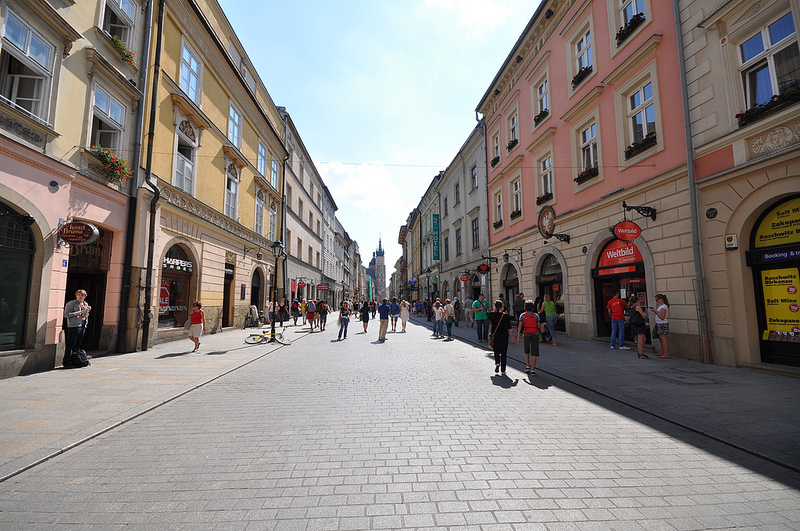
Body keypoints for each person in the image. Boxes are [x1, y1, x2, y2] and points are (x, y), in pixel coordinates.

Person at [63, 289, 91, 368]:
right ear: (76, 295)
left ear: (85, 296)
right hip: (73, 326)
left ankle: (75, 360)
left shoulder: (85, 304)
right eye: (79, 294)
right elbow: (66, 314)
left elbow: (85, 315)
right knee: (70, 344)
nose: (80, 296)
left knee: (77, 345)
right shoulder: (71, 304)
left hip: (82, 326)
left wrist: (86, 313)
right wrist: (80, 312)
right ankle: (66, 361)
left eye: (82, 295)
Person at [488, 299, 514, 376]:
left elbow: (489, 315)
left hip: (495, 335)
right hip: (504, 335)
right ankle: (503, 370)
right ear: (502, 307)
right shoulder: (505, 316)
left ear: (495, 307)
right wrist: (512, 335)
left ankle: (497, 363)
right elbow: (509, 327)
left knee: (496, 350)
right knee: (503, 352)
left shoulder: (491, 314)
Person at [517, 300, 541, 374]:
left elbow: (520, 327)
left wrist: (518, 336)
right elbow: (539, 326)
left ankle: (527, 366)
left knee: (526, 350)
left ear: (525, 307)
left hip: (526, 334)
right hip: (535, 333)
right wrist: (540, 334)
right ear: (532, 307)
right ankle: (533, 369)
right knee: (534, 351)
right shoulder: (536, 315)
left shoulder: (523, 315)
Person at [629, 295, 649, 359]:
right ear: (638, 301)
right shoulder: (637, 307)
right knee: (641, 339)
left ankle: (641, 352)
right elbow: (643, 315)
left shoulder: (632, 307)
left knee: (644, 339)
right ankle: (640, 353)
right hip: (639, 324)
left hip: (636, 325)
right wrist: (646, 319)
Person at [651, 294, 670, 359]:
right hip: (659, 323)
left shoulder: (663, 307)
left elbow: (662, 317)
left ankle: (666, 354)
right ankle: (662, 352)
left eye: (657, 300)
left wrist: (656, 311)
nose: (656, 301)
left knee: (663, 339)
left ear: (660, 299)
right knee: (661, 339)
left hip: (662, 324)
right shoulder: (661, 306)